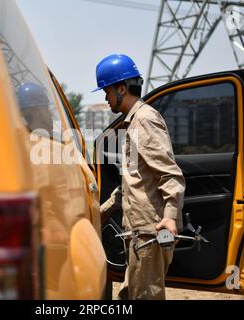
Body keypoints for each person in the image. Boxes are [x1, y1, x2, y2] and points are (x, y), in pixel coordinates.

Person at [93, 54, 185, 300]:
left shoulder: (145, 120)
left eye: (107, 91)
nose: (106, 98)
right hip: (138, 233)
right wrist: (100, 213)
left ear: (122, 88)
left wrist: (170, 217)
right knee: (128, 295)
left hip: (150, 232)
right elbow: (129, 184)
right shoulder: (131, 123)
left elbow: (169, 173)